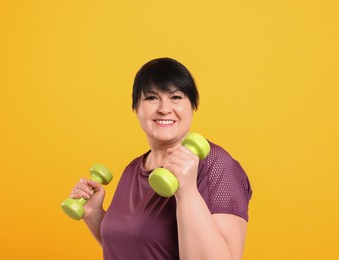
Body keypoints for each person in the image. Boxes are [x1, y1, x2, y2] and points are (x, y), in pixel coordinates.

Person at [70, 57, 253, 259]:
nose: (164, 108)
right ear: (136, 107)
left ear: (192, 105)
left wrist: (187, 191)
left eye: (176, 97)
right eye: (151, 98)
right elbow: (134, 247)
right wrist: (94, 214)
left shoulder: (216, 164)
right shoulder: (133, 169)